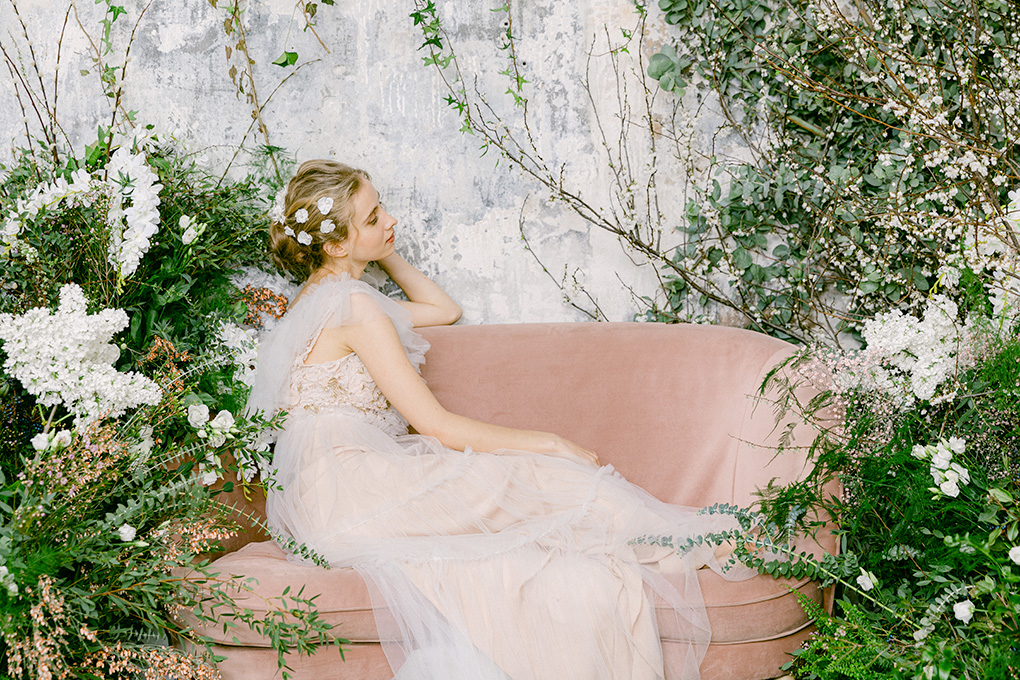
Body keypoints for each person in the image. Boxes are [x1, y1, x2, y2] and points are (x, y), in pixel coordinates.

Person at [247, 160, 748, 680]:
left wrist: (379, 246)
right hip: (355, 490)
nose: (391, 220)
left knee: (530, 496)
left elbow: (443, 310)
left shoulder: (321, 299)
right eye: (374, 218)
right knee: (536, 475)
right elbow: (437, 426)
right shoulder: (356, 308)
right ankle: (682, 542)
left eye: (383, 207)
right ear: (333, 244)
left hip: (327, 494)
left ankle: (670, 541)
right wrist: (549, 442)